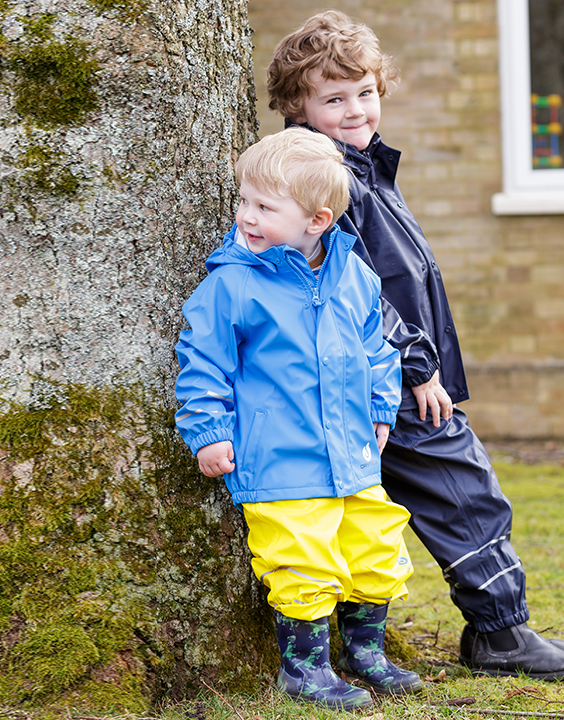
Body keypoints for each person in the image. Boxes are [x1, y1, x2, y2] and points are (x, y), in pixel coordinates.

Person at [265, 11, 564, 681]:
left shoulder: (364, 168)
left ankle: (366, 640)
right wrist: (417, 367)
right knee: (463, 489)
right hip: (391, 376)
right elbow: (351, 287)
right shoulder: (323, 177)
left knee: (395, 503)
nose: (355, 109)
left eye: (365, 92)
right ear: (297, 105)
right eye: (333, 98)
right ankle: (501, 632)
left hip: (390, 373)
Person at [174, 128, 423, 711]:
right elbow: (203, 363)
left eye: (264, 206)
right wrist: (208, 432)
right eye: (243, 201)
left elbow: (379, 350)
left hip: (354, 456)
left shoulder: (355, 278)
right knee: (302, 561)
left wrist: (382, 404)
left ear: (318, 219)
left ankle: (367, 654)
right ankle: (304, 668)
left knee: (376, 550)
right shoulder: (232, 285)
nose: (246, 216)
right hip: (281, 459)